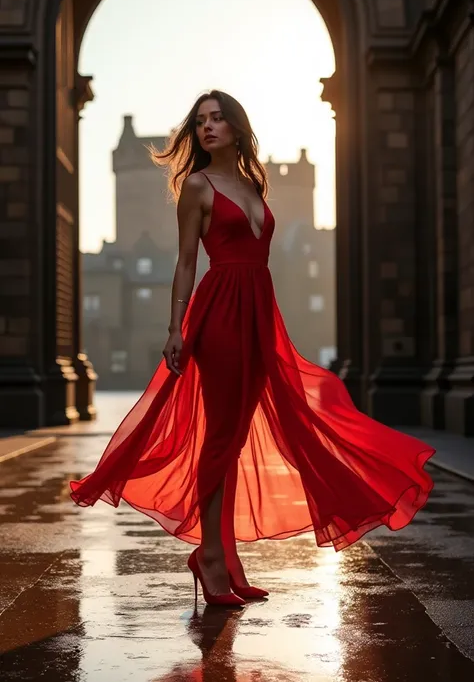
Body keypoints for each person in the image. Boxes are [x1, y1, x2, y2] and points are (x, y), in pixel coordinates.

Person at [70, 90, 435, 607]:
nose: (208, 128)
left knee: (238, 437)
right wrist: (176, 328)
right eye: (200, 122)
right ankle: (212, 558)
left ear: (238, 128)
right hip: (220, 312)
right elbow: (183, 264)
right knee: (220, 439)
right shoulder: (196, 186)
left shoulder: (252, 184)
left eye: (218, 119)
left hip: (259, 313)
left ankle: (224, 557)